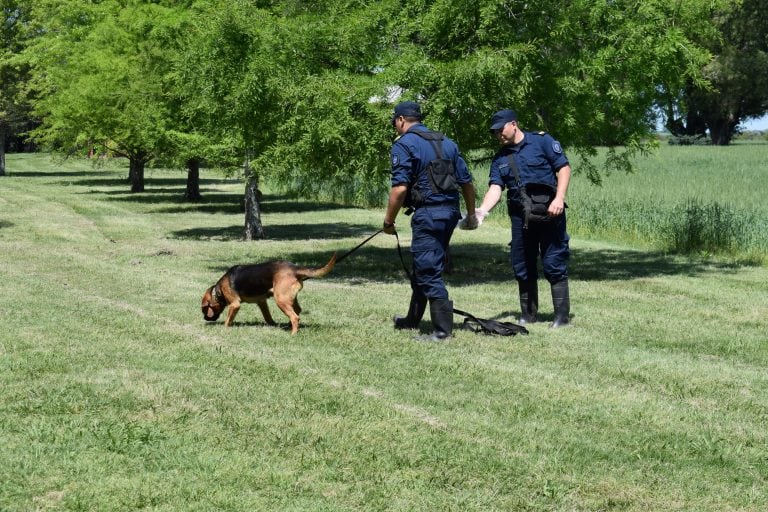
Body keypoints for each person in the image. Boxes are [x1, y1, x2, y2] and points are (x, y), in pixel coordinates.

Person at [382, 100, 478, 341]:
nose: (395, 126)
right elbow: (467, 183)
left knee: (427, 269)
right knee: (423, 265)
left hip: (428, 214)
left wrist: (388, 221)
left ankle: (443, 331)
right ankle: (412, 319)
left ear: (401, 120)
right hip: (449, 213)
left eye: (395, 121)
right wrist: (471, 214)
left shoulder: (404, 145)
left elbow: (400, 189)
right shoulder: (448, 143)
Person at [475, 109, 572, 328]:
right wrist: (482, 211)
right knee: (522, 265)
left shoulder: (542, 142)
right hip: (521, 218)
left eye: (501, 129)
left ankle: (562, 318)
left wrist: (559, 198)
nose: (498, 134)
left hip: (550, 213)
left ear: (514, 124)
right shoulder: (500, 158)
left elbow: (564, 168)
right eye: (495, 132)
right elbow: (495, 188)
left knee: (553, 263)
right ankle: (528, 315)